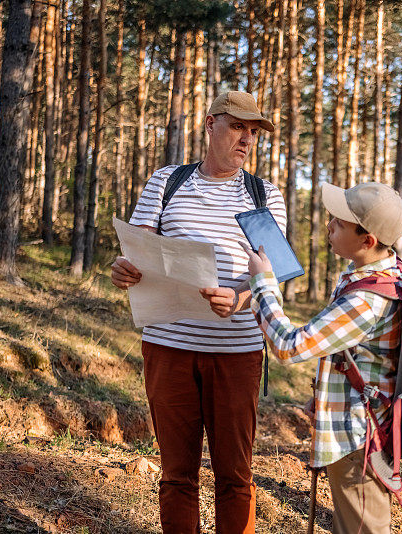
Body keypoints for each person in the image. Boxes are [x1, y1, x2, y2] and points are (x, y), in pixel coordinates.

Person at [110, 91, 286, 534]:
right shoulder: (166, 182)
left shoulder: (263, 195)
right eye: (237, 127)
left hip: (237, 353)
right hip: (168, 349)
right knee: (176, 475)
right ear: (211, 125)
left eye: (253, 131)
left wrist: (241, 298)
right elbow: (139, 248)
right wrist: (124, 269)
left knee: (235, 477)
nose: (246, 139)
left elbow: (273, 272)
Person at [241, 181, 402, 534]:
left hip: (359, 444)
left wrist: (263, 284)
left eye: (340, 223)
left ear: (368, 241)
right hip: (362, 436)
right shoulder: (380, 278)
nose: (329, 224)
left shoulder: (367, 301)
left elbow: (288, 345)